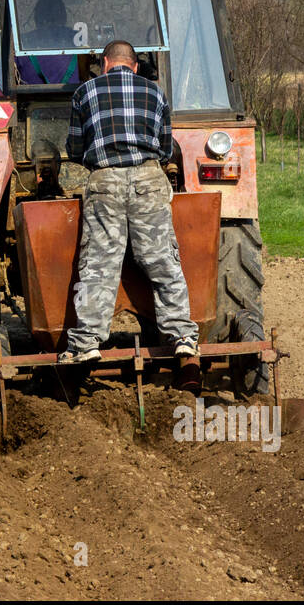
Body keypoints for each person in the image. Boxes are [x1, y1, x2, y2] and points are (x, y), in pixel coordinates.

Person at [60, 39, 201, 392]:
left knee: (99, 266)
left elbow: (74, 149)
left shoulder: (84, 92)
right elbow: (166, 146)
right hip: (149, 180)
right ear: (134, 66)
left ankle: (87, 343)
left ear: (105, 63)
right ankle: (182, 337)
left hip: (104, 181)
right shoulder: (156, 93)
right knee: (163, 262)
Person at [16, 0, 78, 85]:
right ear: (64, 18)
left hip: (29, 98)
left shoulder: (22, 42)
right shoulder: (78, 40)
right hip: (76, 97)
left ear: (36, 19)